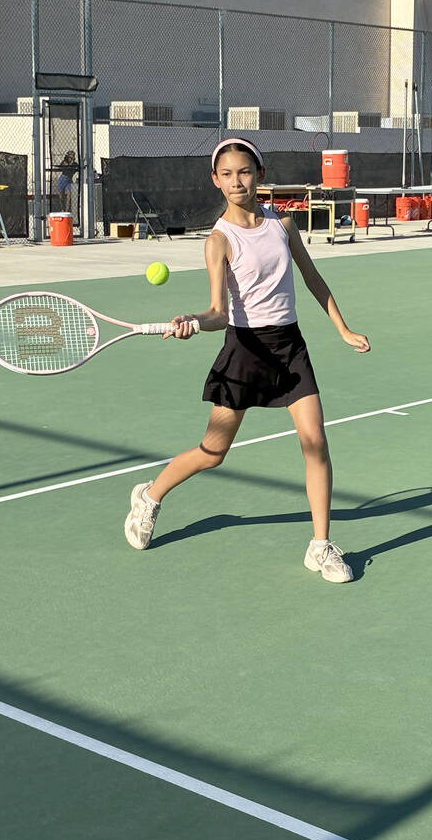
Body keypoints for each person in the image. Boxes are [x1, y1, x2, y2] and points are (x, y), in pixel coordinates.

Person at [124, 136, 370, 582]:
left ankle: (320, 546)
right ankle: (150, 495)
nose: (237, 181)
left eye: (244, 171)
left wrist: (342, 328)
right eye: (227, 174)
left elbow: (313, 279)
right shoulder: (219, 239)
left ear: (259, 174)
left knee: (315, 441)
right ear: (215, 181)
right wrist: (193, 321)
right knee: (212, 452)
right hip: (245, 351)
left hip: (290, 348)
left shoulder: (283, 225)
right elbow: (219, 312)